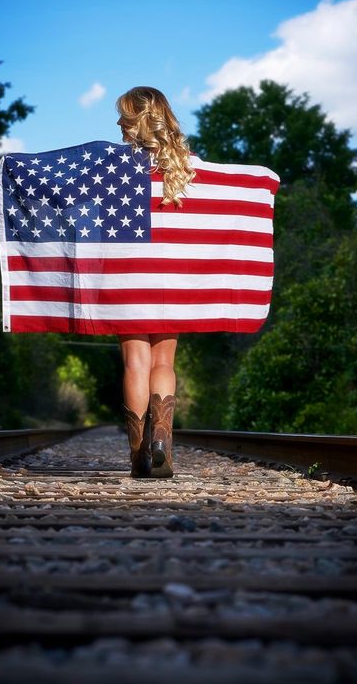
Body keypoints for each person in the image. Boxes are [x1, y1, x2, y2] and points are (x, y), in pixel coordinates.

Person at [115, 86, 195, 479]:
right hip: (171, 273)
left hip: (129, 271)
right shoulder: (186, 166)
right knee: (164, 360)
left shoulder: (113, 166)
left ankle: (138, 457)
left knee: (135, 360)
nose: (118, 123)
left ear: (134, 120)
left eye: (123, 116)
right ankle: (162, 441)